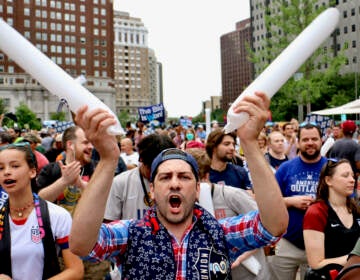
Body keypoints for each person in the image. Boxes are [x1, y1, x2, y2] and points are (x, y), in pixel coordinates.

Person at [69, 92, 289, 279]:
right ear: (153, 191)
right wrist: (108, 159)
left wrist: (249, 143)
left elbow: (273, 226)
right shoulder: (130, 234)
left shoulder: (220, 233)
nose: (174, 183)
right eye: (165, 177)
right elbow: (81, 245)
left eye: (184, 177)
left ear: (197, 189)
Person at [187, 147, 275, 280]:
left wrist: (240, 256)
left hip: (249, 274)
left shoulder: (232, 195)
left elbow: (266, 228)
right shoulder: (183, 206)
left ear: (206, 176)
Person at [0, 142, 83, 279]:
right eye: (1, 168)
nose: (7, 172)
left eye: (15, 166)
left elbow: (76, 270)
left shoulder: (57, 216)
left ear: (32, 172)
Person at [268, 122, 328, 280]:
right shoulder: (285, 168)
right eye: (305, 139)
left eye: (314, 139)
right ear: (298, 142)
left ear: (321, 140)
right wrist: (291, 201)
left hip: (321, 243)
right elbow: (269, 201)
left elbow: (346, 202)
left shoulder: (331, 168)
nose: (310, 143)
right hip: (287, 243)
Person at [303, 159, 360, 275]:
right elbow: (316, 263)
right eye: (345, 176)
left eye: (353, 176)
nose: (352, 180)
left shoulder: (355, 209)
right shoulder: (316, 212)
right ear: (328, 180)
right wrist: (353, 259)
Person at [104, 133, 176, 221]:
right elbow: (109, 223)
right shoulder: (120, 183)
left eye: (164, 170)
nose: (157, 175)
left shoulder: (177, 184)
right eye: (152, 169)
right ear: (141, 159)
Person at [206, 128, 252, 193]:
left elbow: (250, 198)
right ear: (214, 147)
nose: (232, 148)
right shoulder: (202, 174)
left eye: (233, 144)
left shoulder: (240, 172)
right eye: (226, 144)